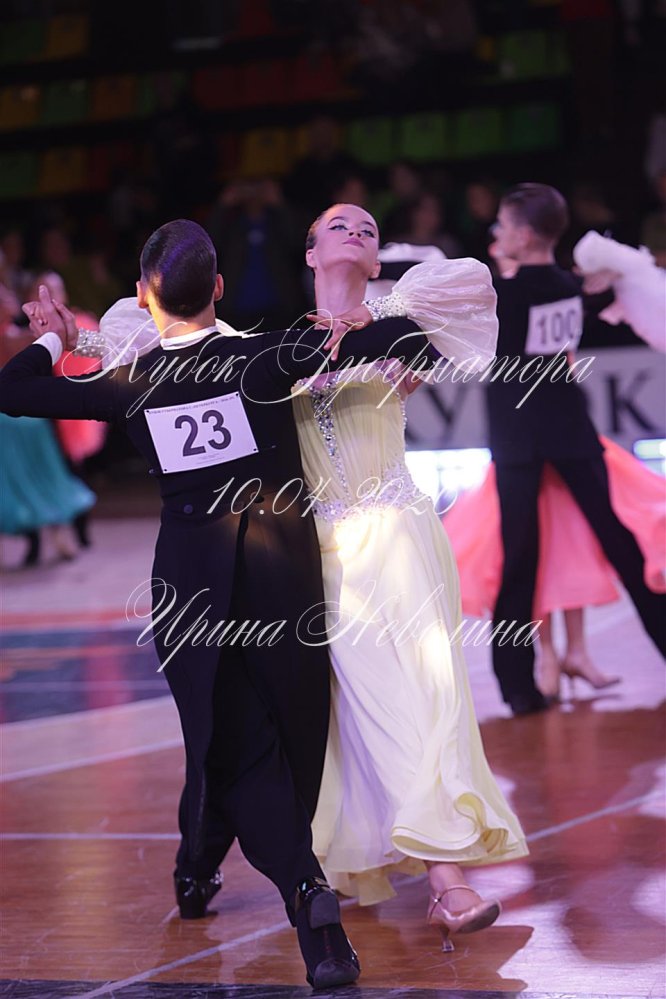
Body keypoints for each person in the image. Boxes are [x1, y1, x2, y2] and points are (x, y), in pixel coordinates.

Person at [3, 218, 440, 989]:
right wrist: (360, 319)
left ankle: (281, 886)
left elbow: (12, 391)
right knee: (278, 741)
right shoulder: (265, 355)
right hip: (283, 577)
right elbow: (406, 340)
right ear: (219, 289)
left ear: (142, 297)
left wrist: (54, 336)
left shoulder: (133, 380)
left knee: (228, 742)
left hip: (191, 584)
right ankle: (236, 875)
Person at [293, 206, 527, 951]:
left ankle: (445, 879)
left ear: (378, 259)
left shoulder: (403, 325)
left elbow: (471, 288)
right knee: (364, 704)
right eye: (338, 225)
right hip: (322, 549)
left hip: (399, 535)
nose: (355, 231)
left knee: (427, 699)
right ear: (309, 252)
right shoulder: (274, 341)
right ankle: (407, 864)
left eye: (368, 228)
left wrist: (379, 309)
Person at [486, 183, 665, 716]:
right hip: (568, 426)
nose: (497, 233)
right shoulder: (566, 286)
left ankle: (518, 687)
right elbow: (597, 298)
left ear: (523, 234)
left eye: (502, 224)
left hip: (520, 436)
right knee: (622, 544)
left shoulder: (504, 295)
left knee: (519, 558)